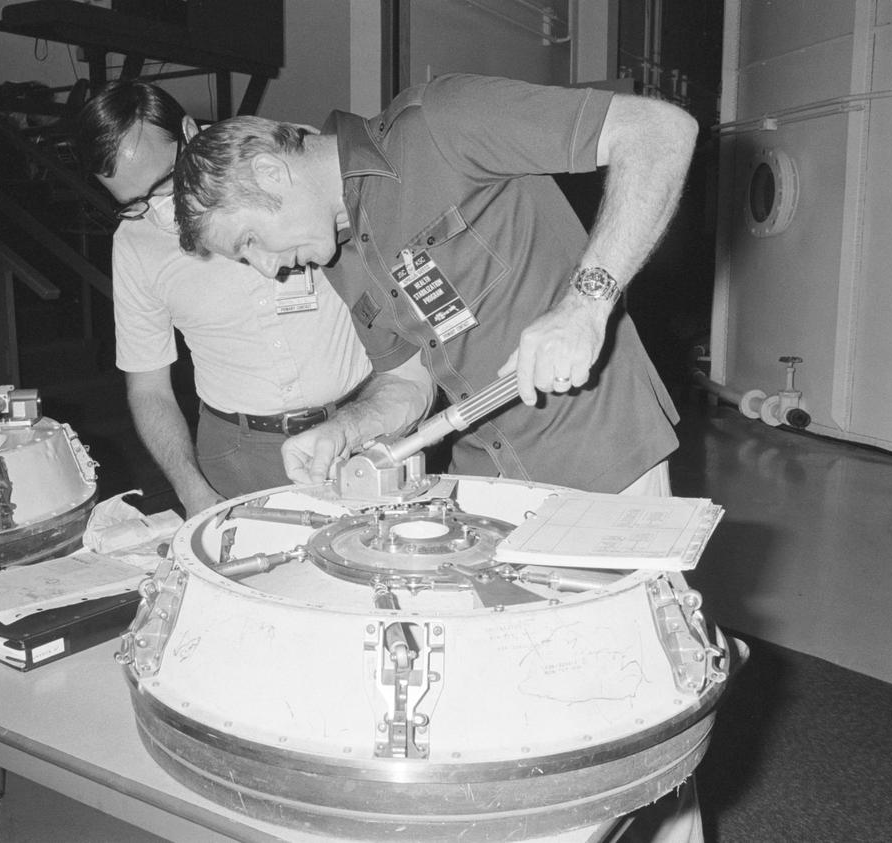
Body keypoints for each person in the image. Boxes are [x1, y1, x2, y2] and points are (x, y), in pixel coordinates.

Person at [173, 74, 701, 840]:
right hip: (496, 494)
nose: (265, 268)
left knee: (635, 725)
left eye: (248, 241)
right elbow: (407, 380)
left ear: (267, 172)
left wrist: (586, 301)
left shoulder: (442, 123)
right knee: (537, 727)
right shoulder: (343, 255)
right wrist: (347, 429)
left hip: (600, 462)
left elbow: (659, 132)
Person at [76, 80, 371, 516]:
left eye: (164, 184)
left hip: (360, 428)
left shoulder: (292, 168)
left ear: (192, 132)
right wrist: (190, 487)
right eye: (134, 203)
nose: (162, 210)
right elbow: (148, 388)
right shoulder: (135, 244)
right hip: (237, 454)